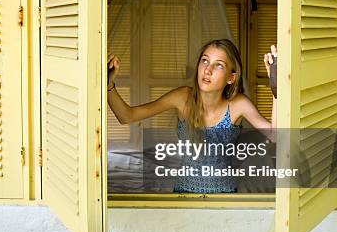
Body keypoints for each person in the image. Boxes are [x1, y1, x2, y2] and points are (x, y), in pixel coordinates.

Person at [107, 39, 277, 193]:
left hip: (225, 197)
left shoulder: (238, 104)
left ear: (231, 78)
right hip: (183, 195)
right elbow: (126, 116)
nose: (207, 70)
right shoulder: (182, 98)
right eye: (204, 61)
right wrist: (108, 83)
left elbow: (275, 134)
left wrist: (276, 88)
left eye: (218, 65)